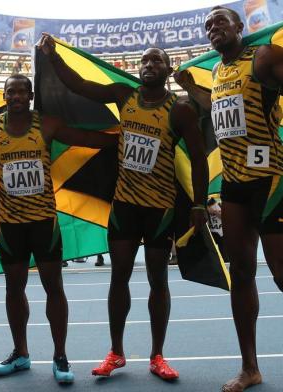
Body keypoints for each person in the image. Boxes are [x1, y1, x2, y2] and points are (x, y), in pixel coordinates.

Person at [39, 35, 208, 380]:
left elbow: (199, 158)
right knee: (119, 278)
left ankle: (157, 355)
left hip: (159, 207)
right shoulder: (123, 95)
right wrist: (54, 58)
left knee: (158, 280)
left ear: (168, 68)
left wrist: (199, 203)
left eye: (157, 60)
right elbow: (81, 85)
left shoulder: (179, 110)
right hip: (125, 205)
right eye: (145, 60)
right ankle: (116, 351)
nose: (149, 65)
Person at [0, 74, 117, 384]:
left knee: (54, 288)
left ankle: (60, 355)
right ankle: (20, 353)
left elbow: (85, 139)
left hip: (43, 223)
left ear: (31, 94)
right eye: (12, 91)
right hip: (10, 225)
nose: (18, 96)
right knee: (13, 289)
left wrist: (120, 138)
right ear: (5, 96)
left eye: (23, 91)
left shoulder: (46, 124)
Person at [174, 6, 283, 392]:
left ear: (240, 26)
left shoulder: (265, 57)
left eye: (220, 20)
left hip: (271, 180)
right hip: (236, 186)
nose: (213, 27)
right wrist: (189, 88)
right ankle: (250, 368)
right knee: (240, 274)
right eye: (207, 25)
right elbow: (219, 106)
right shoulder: (219, 72)